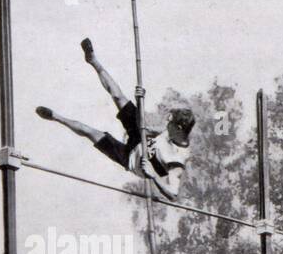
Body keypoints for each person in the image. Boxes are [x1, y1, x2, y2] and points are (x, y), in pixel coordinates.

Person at [35, 37, 193, 201]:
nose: (167, 124)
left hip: (130, 158)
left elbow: (173, 195)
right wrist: (139, 99)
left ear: (180, 128)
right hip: (140, 137)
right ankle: (93, 61)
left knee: (91, 132)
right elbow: (143, 126)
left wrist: (153, 176)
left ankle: (55, 117)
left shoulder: (178, 160)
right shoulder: (169, 132)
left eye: (171, 123)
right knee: (118, 96)